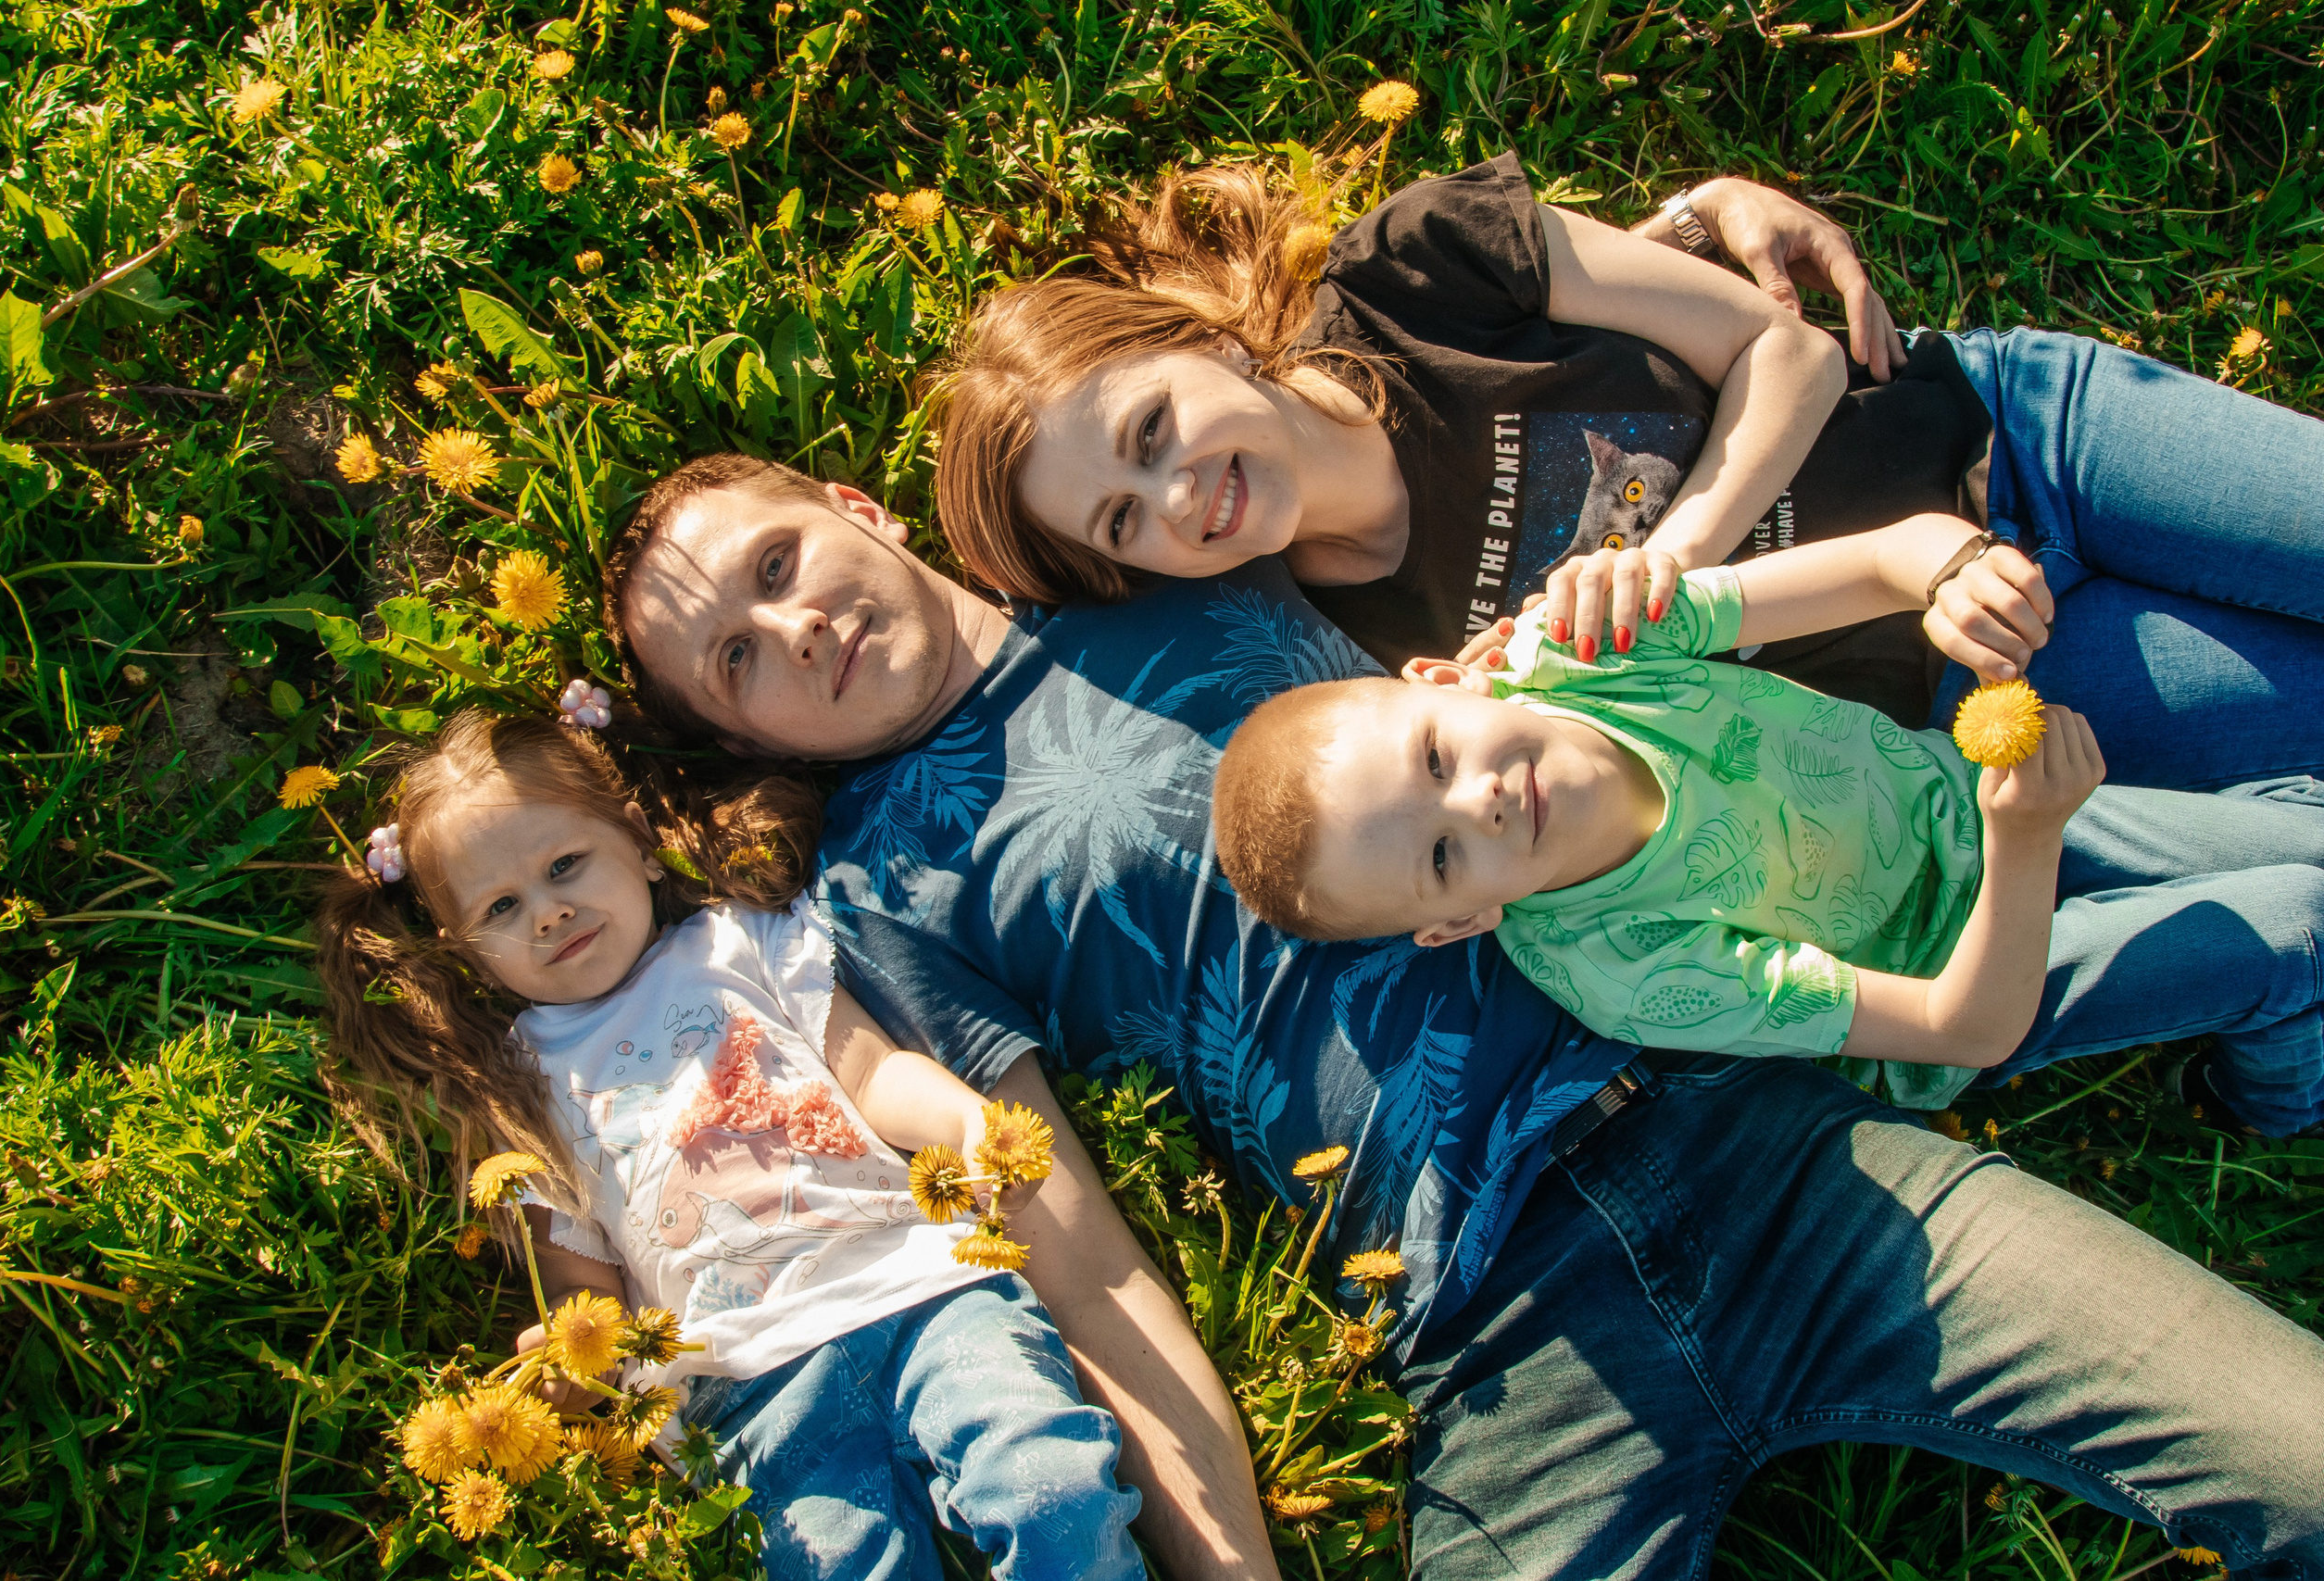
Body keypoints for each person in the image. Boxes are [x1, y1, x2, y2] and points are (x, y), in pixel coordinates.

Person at [601, 453, 2324, 1578]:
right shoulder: (885, 895)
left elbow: (1412, 394)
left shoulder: (1155, 543)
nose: (791, 624)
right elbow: (1073, 1242)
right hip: (1496, 1321)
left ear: (851, 501)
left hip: (1771, 1143)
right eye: (734, 661)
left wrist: (1706, 240)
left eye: (773, 561)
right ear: (744, 737)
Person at [931, 156, 2324, 790]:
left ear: (1191, 341)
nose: (1180, 493)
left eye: (1153, 425)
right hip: (1973, 664)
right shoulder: (1364, 664)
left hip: (2022, 432)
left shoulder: (1414, 267)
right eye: (1126, 517)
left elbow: (1786, 357)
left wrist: (1682, 551)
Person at [312, 709, 1144, 1581]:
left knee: (1052, 1488)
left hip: (922, 1288)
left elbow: (868, 1074)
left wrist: (965, 1119)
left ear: (636, 842)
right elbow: (583, 1289)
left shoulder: (740, 941)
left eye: (564, 865)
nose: (550, 911)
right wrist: (571, 1357)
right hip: (745, 1384)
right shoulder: (520, 1085)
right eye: (503, 907)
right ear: (468, 953)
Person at [1210, 519, 2324, 1136]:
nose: (1481, 801)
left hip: (1963, 799)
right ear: (1458, 922)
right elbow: (1959, 1026)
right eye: (1442, 853)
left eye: (1436, 757)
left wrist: (1947, 573)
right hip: (1984, 968)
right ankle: (2262, 1101)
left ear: (1453, 675)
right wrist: (2026, 841)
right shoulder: (1619, 966)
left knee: (2305, 838)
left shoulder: (1584, 650)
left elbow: (1871, 563)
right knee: (2300, 928)